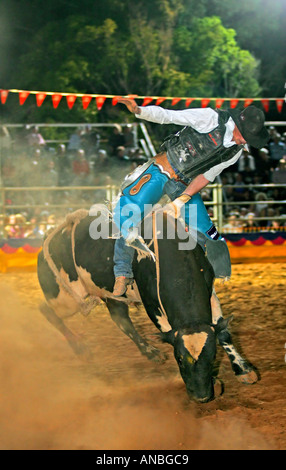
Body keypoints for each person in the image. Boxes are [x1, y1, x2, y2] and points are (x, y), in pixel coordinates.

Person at [112, 98, 269, 296]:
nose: (245, 142)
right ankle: (122, 273)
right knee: (130, 212)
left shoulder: (235, 153)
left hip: (185, 184)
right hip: (162, 169)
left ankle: (195, 276)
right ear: (238, 126)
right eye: (245, 136)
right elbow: (169, 116)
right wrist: (140, 110)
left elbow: (205, 176)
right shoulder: (211, 118)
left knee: (206, 233)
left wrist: (181, 200)